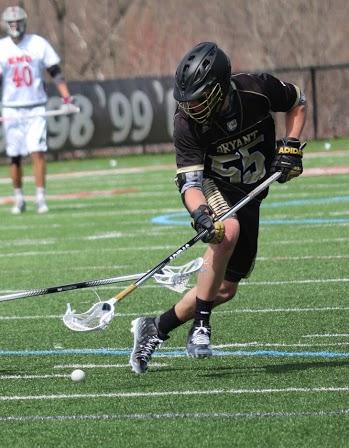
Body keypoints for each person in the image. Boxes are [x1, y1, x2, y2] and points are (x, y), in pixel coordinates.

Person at [129, 42, 307, 374]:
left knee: (224, 289)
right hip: (213, 185)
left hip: (251, 192)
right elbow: (190, 184)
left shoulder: (257, 90)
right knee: (228, 233)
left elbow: (298, 101)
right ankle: (201, 327)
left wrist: (292, 144)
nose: (190, 106)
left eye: (198, 97)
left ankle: (155, 326)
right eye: (187, 99)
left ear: (219, 88)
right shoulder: (186, 123)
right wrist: (200, 215)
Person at [0, 5, 76, 215]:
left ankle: (40, 197)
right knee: (15, 156)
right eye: (11, 23)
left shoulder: (38, 43)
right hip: (11, 108)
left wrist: (66, 98)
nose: (15, 26)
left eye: (18, 22)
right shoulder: (0, 48)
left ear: (24, 22)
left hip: (36, 106)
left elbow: (55, 72)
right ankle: (19, 197)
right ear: (6, 25)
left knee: (38, 152)